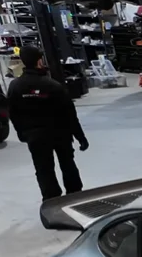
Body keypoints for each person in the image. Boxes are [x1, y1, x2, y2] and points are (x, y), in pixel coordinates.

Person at [7, 45, 88, 201]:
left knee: (43, 168)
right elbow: (70, 114)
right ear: (39, 61)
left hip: (35, 136)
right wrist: (80, 137)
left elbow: (13, 113)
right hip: (60, 133)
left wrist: (21, 133)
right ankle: (75, 196)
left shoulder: (15, 86)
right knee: (67, 164)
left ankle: (51, 199)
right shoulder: (53, 86)